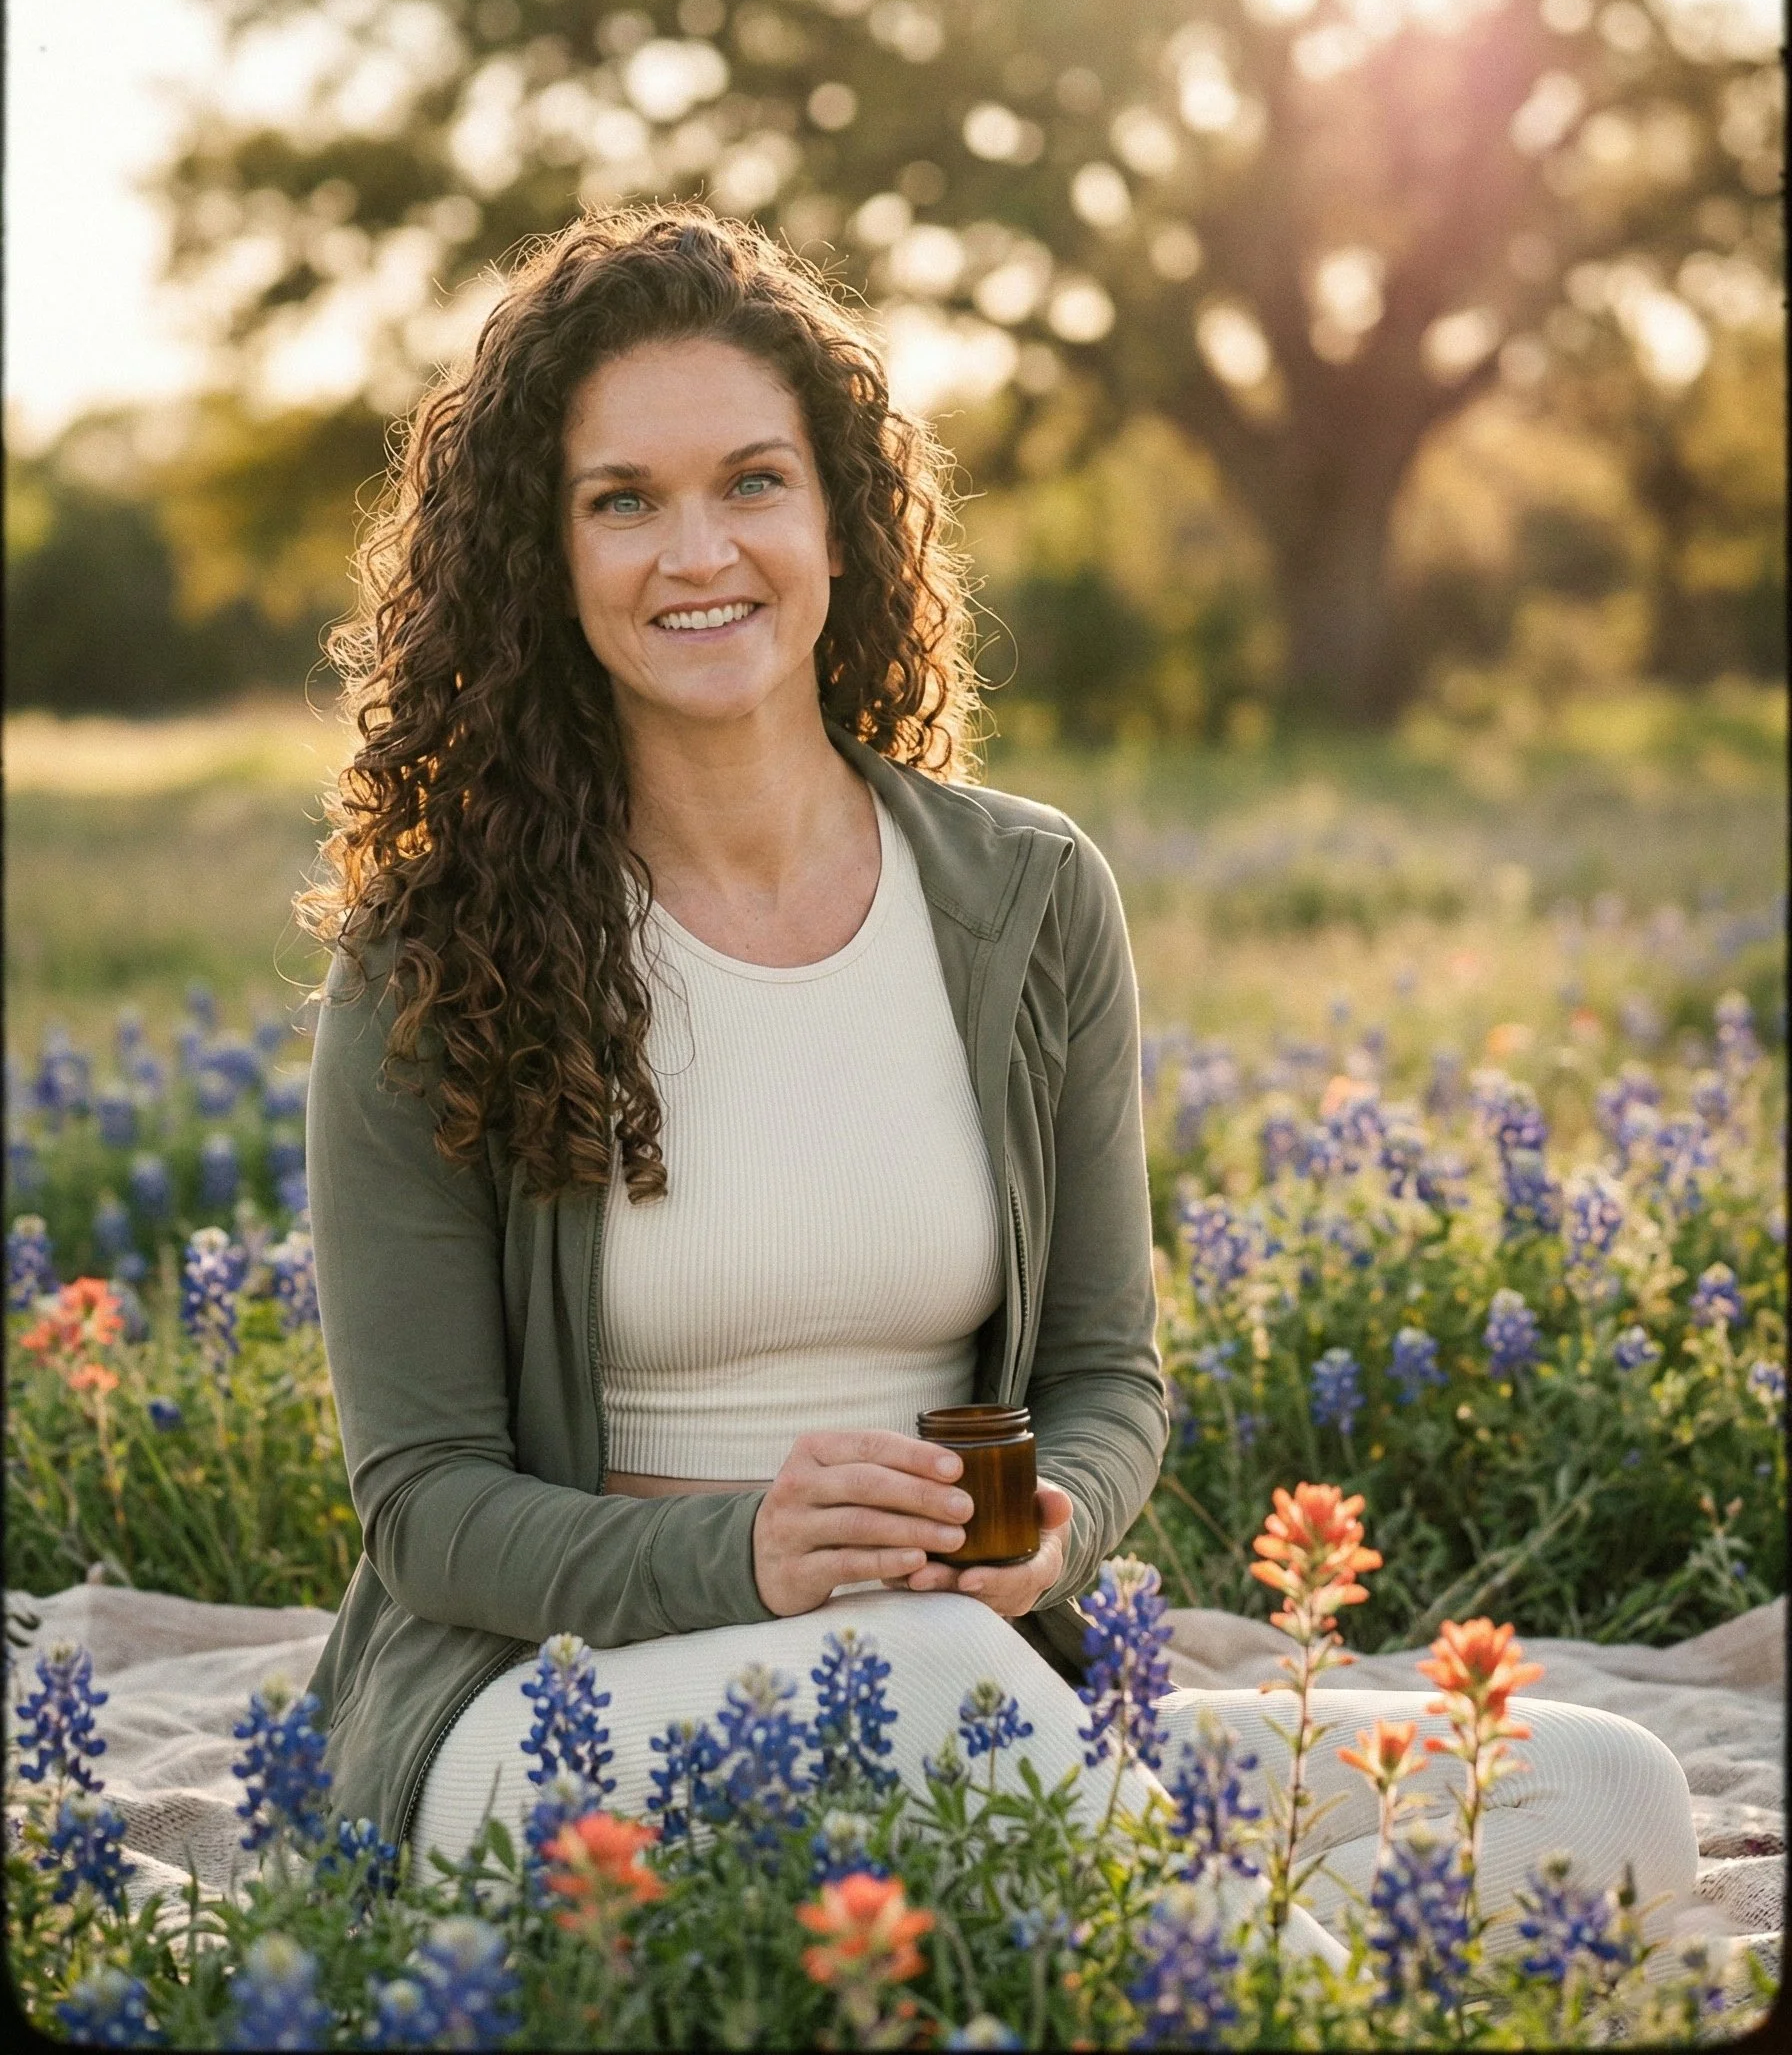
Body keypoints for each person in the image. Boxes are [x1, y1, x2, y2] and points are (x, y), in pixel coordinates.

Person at [301, 202, 1696, 1962]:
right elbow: (425, 1507)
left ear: (837, 519)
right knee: (960, 1700)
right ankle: (1254, 1981)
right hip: (566, 1713)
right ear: (541, 555)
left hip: (975, 1671)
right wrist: (750, 1557)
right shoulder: (442, 954)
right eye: (621, 500)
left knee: (1614, 1799)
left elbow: (1111, 1376)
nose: (697, 548)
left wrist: (1042, 1543)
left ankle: (1155, 1929)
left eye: (753, 480)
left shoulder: (1026, 902)